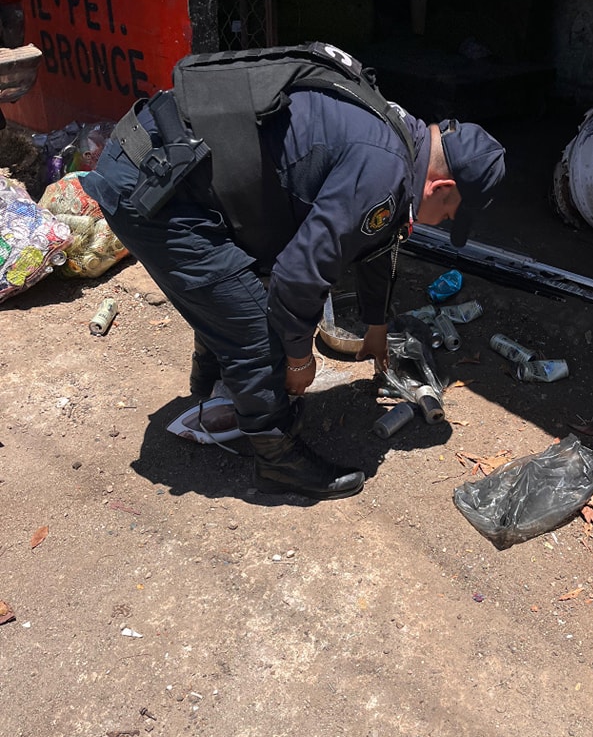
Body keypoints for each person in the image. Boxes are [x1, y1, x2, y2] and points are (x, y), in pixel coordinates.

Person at [81, 44, 505, 501]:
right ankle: (277, 461)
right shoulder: (385, 168)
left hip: (166, 162)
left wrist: (376, 325)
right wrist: (300, 358)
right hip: (155, 187)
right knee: (258, 327)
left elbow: (377, 238)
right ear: (441, 186)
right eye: (449, 216)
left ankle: (212, 388)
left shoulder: (398, 134)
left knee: (238, 290)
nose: (440, 224)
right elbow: (298, 276)